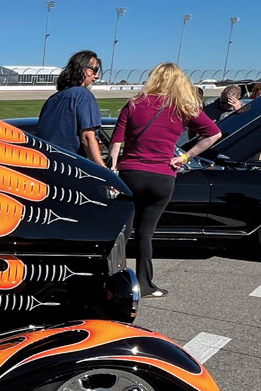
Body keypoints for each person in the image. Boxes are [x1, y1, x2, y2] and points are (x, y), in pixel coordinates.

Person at [108, 63, 222, 298]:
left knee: (122, 231)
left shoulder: (134, 103)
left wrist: (112, 170)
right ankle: (145, 283)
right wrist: (184, 156)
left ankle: (112, 279)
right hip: (162, 175)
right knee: (145, 233)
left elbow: (116, 142)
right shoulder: (182, 107)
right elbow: (213, 133)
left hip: (131, 173)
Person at [36, 50, 107, 168]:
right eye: (94, 70)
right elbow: (87, 138)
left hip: (46, 165)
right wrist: (103, 170)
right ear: (83, 69)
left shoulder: (53, 99)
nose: (97, 76)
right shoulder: (84, 96)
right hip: (70, 167)